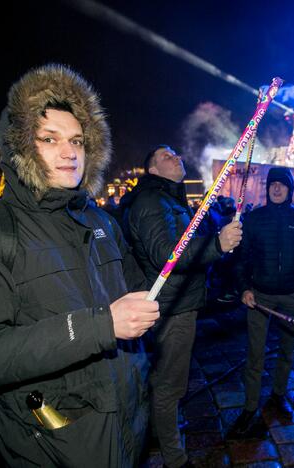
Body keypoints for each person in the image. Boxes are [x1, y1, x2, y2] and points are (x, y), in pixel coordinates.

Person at [0, 64, 159, 467]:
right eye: (49, 139)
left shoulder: (102, 221)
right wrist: (100, 325)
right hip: (52, 443)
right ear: (21, 147)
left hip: (127, 427)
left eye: (77, 140)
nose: (69, 152)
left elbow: (132, 297)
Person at [120, 144, 242, 468]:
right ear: (152, 171)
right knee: (168, 386)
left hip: (179, 302)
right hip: (169, 308)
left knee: (168, 380)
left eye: (176, 154)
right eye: (165, 156)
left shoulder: (169, 199)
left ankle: (164, 431)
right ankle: (175, 458)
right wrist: (217, 244)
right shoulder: (150, 200)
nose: (175, 158)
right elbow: (167, 255)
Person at [232, 167, 294, 434]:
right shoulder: (255, 219)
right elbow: (242, 259)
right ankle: (250, 407)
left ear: (290, 188)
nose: (277, 188)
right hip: (260, 295)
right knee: (255, 354)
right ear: (267, 188)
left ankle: (278, 396)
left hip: (293, 296)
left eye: (283, 184)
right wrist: (245, 288)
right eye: (273, 184)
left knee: (286, 351)